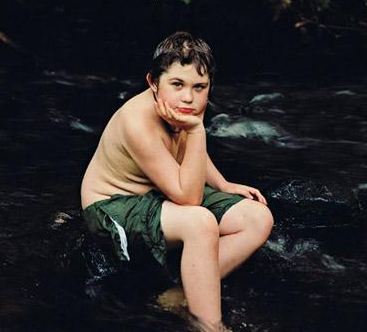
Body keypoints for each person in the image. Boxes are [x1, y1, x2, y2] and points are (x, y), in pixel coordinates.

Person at [80, 31, 274, 332]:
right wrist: (197, 131)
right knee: (200, 222)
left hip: (161, 193)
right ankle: (209, 326)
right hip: (113, 206)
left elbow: (185, 149)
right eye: (177, 84)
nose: (189, 97)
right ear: (153, 83)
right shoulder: (138, 122)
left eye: (200, 87)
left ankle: (182, 293)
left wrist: (223, 184)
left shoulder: (179, 109)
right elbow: (189, 199)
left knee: (258, 217)